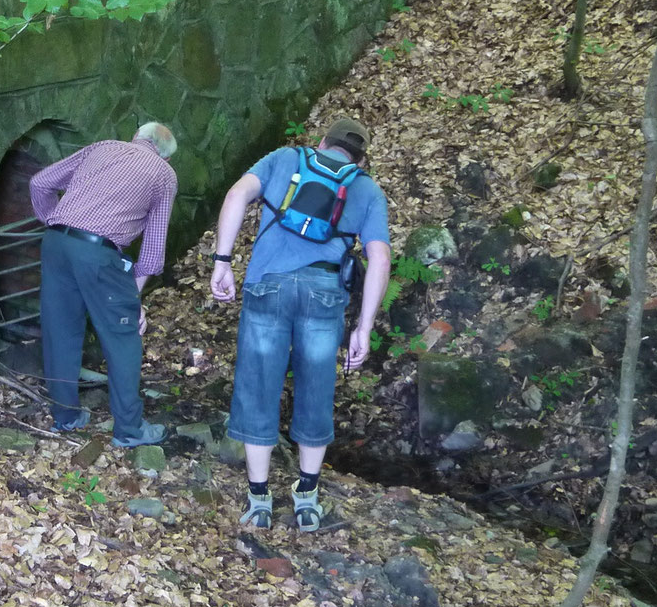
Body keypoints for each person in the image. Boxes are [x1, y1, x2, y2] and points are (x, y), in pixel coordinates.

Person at [208, 117, 389, 530]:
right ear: (360, 158)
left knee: (258, 385)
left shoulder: (285, 158)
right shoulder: (366, 188)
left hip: (267, 285)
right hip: (324, 294)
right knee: (316, 388)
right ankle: (306, 497)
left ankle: (259, 500)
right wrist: (364, 326)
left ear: (322, 141)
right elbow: (379, 258)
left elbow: (237, 194)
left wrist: (223, 260)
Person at [27, 122, 178, 449]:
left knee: (61, 331)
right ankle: (129, 428)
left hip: (55, 244)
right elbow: (152, 252)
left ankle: (65, 416)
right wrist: (132, 301)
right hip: (98, 253)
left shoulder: (102, 146)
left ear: (136, 136)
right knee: (124, 337)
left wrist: (60, 223)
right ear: (165, 157)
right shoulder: (164, 175)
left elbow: (40, 183)